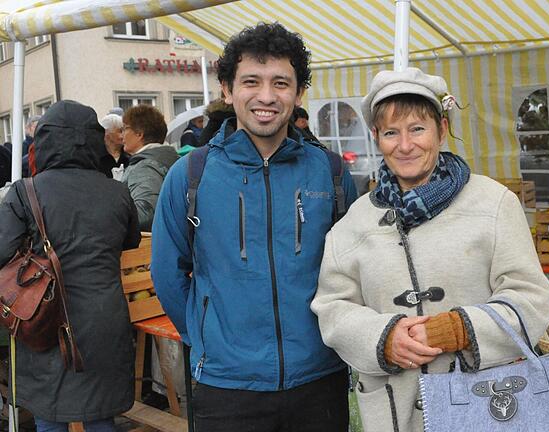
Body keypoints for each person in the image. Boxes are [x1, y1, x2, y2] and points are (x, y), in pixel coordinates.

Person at [311, 68, 549, 432]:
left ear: (442, 129)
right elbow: (333, 310)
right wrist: (384, 339)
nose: (405, 145)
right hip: (393, 412)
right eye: (391, 133)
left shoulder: (494, 203)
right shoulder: (353, 223)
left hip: (484, 405)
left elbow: (532, 298)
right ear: (376, 137)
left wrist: (459, 329)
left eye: (417, 129)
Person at [151, 23, 357, 432]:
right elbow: (167, 273)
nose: (266, 96)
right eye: (251, 81)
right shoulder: (191, 174)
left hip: (318, 378)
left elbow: (351, 266)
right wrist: (206, 337)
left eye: (281, 82)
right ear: (227, 90)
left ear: (298, 94)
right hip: (226, 386)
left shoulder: (329, 172)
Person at [0, 100, 140, 431]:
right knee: (101, 412)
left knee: (50, 412)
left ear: (44, 141)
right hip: (105, 317)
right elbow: (130, 240)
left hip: (46, 316)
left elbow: (2, 251)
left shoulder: (25, 192)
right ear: (94, 140)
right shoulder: (117, 192)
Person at [121, 105, 178, 232]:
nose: (121, 135)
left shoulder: (145, 166)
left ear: (139, 134)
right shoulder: (168, 159)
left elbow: (146, 214)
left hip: (149, 246)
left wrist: (112, 216)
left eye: (125, 129)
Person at [99, 113, 130, 180]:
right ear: (107, 133)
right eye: (120, 131)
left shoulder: (130, 156)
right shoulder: (96, 157)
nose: (124, 135)